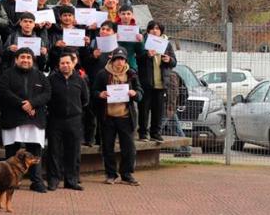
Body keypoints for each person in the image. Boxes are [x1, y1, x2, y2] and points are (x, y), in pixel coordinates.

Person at [0, 47, 51, 193]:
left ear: (32, 60)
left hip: (34, 119)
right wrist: (23, 104)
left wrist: (33, 104)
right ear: (16, 59)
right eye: (22, 57)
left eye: (28, 57)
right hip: (13, 118)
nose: (25, 60)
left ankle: (37, 181)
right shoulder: (7, 75)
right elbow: (4, 92)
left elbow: (47, 93)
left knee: (34, 152)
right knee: (11, 152)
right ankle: (9, 181)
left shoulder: (41, 76)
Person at [92, 47, 143, 186]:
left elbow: (140, 93)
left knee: (129, 148)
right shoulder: (103, 74)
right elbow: (94, 91)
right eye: (117, 59)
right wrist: (100, 94)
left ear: (125, 60)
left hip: (126, 117)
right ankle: (111, 174)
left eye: (122, 59)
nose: (119, 62)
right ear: (112, 60)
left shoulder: (132, 74)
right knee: (108, 147)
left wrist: (135, 93)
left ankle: (127, 174)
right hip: (108, 116)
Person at [45, 53, 89, 191]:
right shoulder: (51, 79)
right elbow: (47, 98)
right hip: (55, 120)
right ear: (58, 65)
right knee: (54, 151)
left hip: (74, 120)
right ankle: (53, 180)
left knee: (74, 151)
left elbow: (85, 99)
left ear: (73, 63)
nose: (65, 65)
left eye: (67, 63)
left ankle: (71, 180)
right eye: (62, 63)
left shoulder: (80, 80)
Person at [138, 21, 177, 142]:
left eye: (157, 28)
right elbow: (137, 58)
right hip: (146, 82)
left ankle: (156, 133)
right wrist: (147, 55)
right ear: (148, 30)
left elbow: (174, 62)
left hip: (161, 83)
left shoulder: (166, 44)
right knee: (144, 110)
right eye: (152, 28)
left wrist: (168, 59)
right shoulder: (143, 42)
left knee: (158, 110)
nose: (155, 30)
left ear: (161, 31)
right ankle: (143, 133)